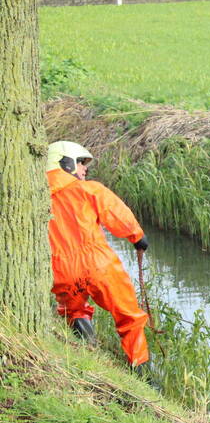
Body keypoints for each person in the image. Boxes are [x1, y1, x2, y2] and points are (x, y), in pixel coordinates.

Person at [46, 141, 150, 366]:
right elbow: (116, 213)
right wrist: (137, 237)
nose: (85, 169)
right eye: (81, 163)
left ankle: (86, 354)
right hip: (98, 264)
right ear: (66, 163)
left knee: (73, 310)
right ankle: (141, 371)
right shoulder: (87, 189)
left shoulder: (35, 197)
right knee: (129, 314)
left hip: (61, 271)